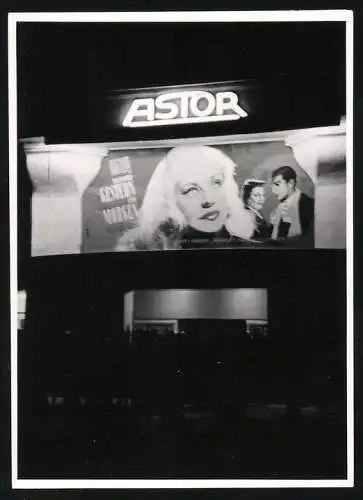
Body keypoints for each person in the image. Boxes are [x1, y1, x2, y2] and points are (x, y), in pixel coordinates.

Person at [115, 145, 255, 250]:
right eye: (191, 190)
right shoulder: (147, 253)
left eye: (216, 182)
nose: (208, 200)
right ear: (168, 201)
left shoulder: (250, 250)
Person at [270, 165, 314, 247]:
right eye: (272, 185)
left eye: (277, 184)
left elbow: (310, 240)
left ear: (290, 183)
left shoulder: (309, 205)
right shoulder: (279, 208)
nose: (273, 190)